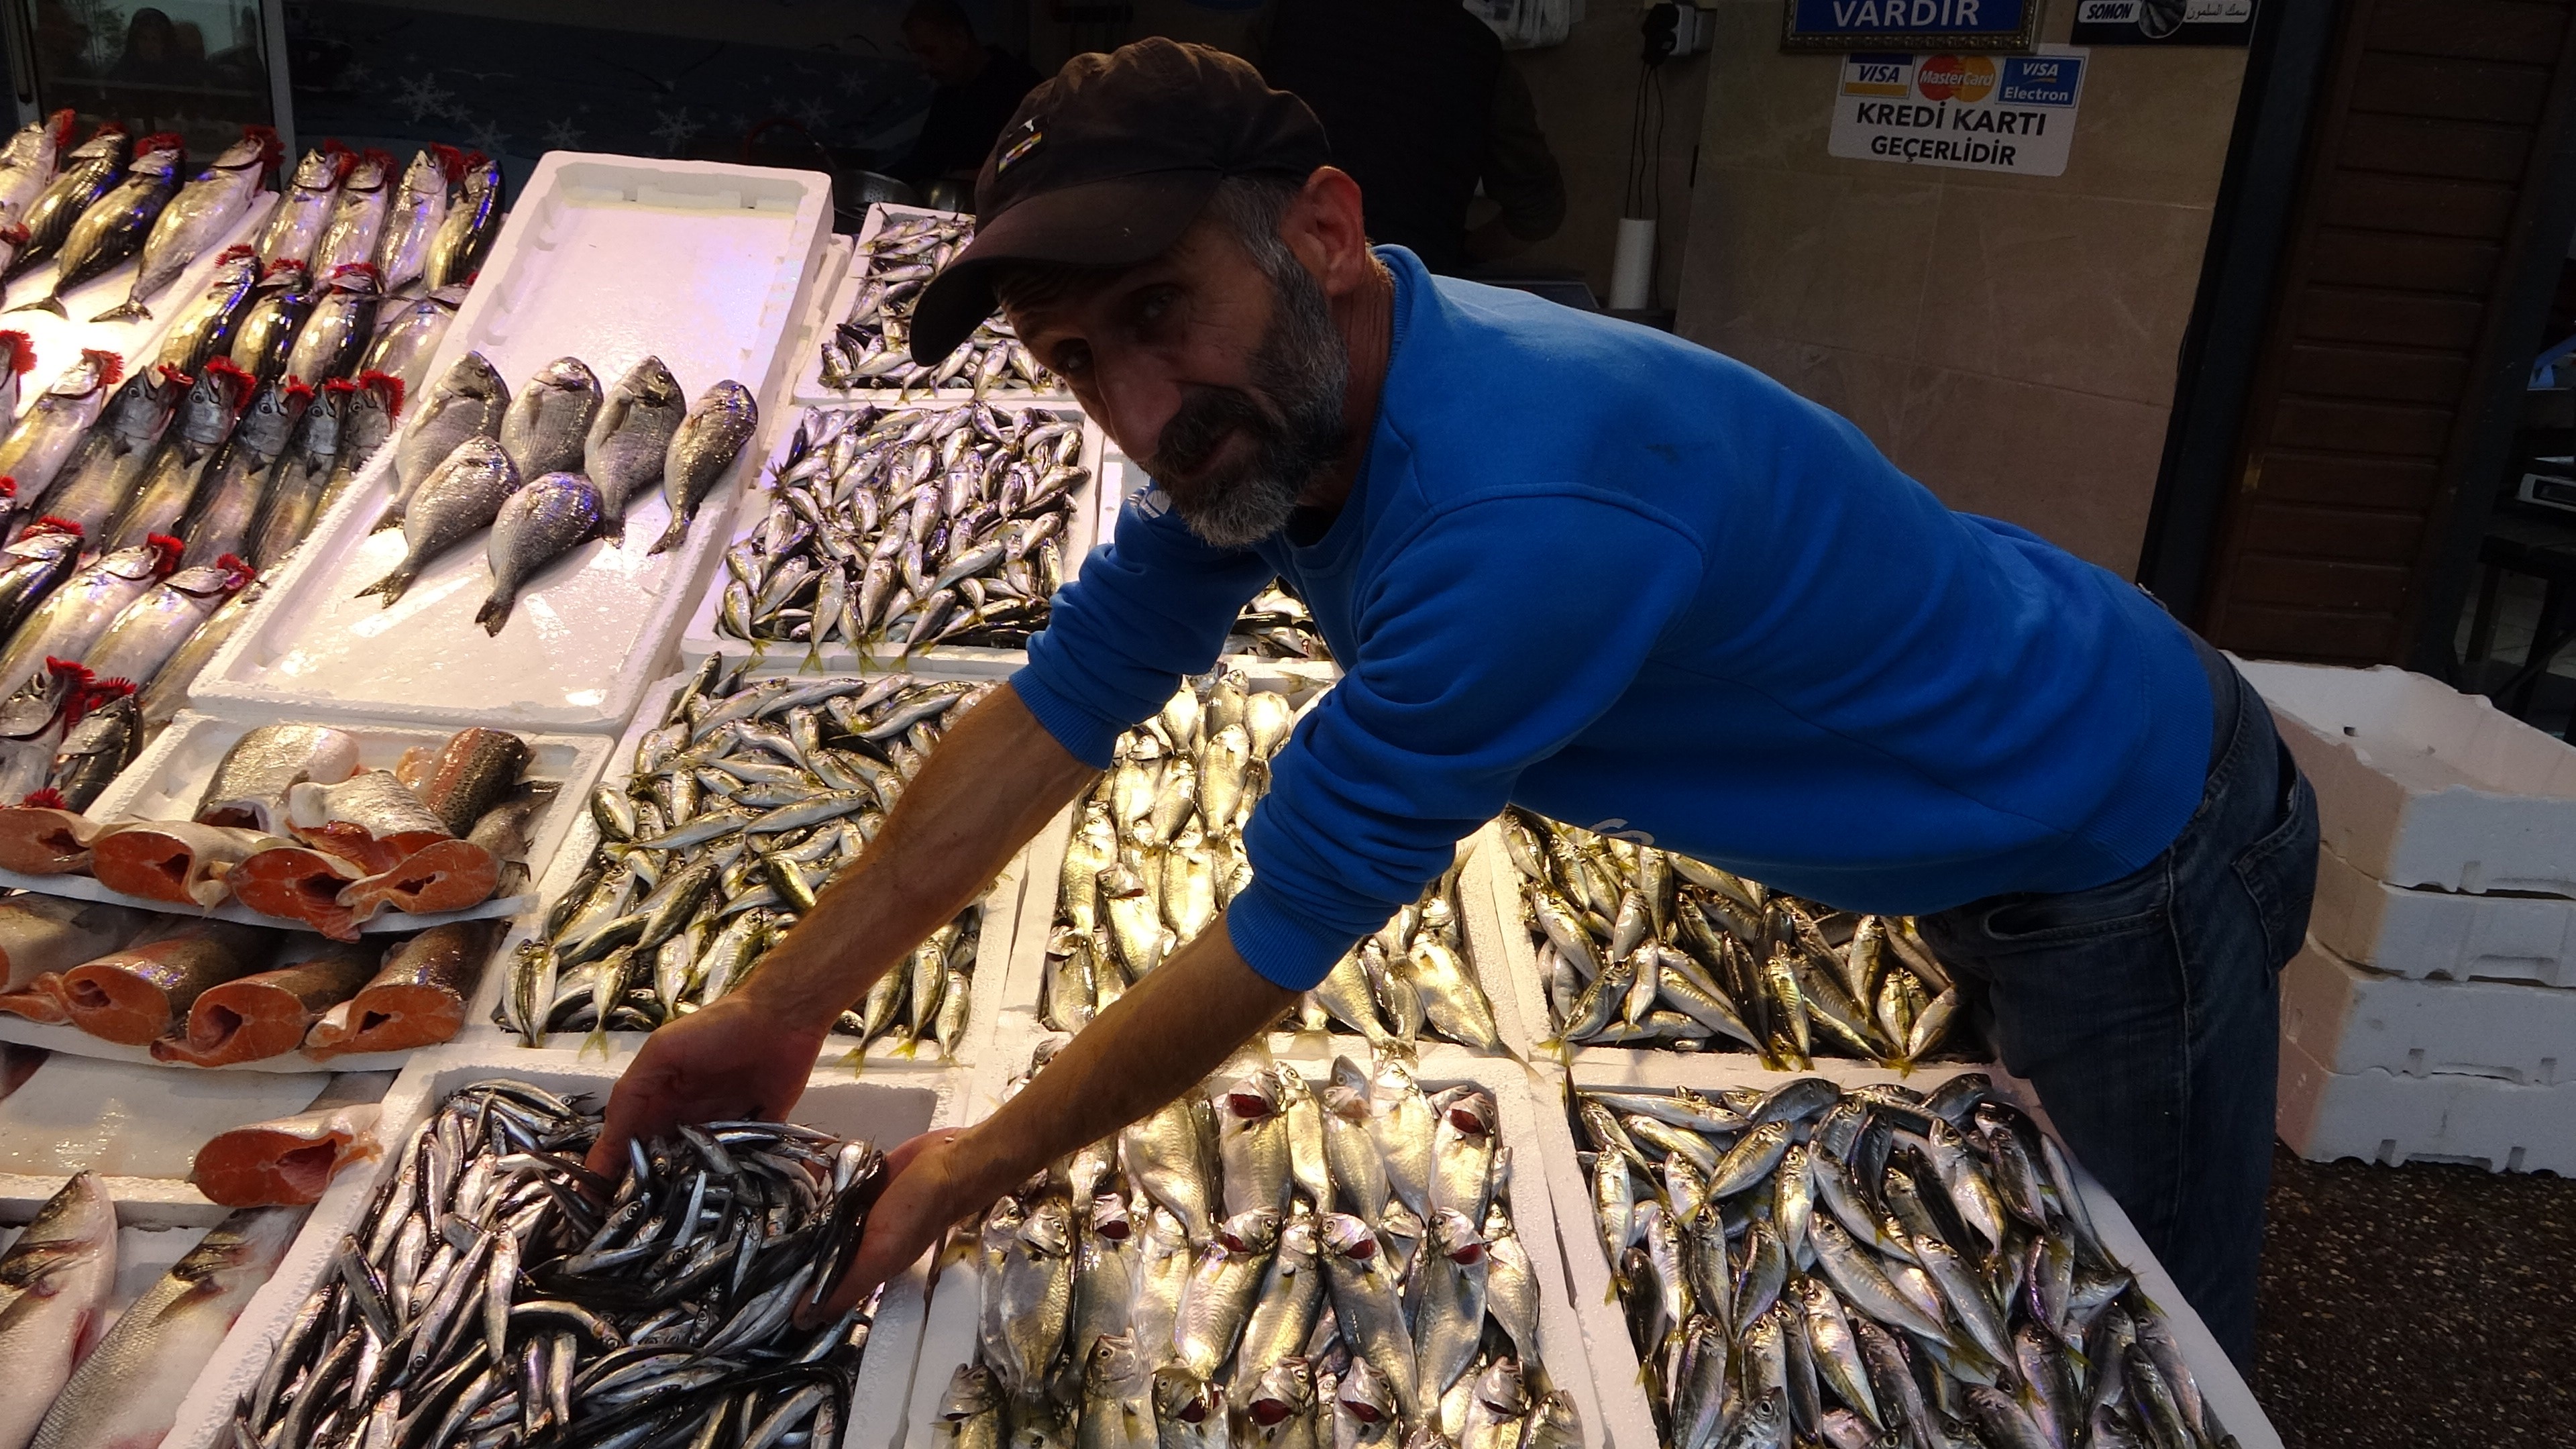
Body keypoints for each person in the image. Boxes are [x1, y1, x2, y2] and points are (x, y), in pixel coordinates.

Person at [590, 40, 2316, 1365]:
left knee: (2138, 1332)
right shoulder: (1278, 406)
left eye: (1156, 313)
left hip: (2121, 840)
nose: (1133, 406)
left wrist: (972, 1165)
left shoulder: (1523, 516)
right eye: (1075, 364)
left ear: (1324, 233)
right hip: (1977, 801)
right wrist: (784, 1003)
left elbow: (1282, 930)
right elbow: (1070, 698)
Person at [1254, 0, 1564, 272]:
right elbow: (1538, 215)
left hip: (1276, 265)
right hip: (1407, 292)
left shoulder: (1286, 18)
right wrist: (1467, 251)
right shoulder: (1481, 56)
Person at [890, 0, 1041, 193]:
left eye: (930, 52)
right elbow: (923, 162)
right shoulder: (948, 95)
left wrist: (981, 176)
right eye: (919, 55)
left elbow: (1035, 159)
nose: (925, 66)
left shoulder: (1021, 85)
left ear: (960, 38)